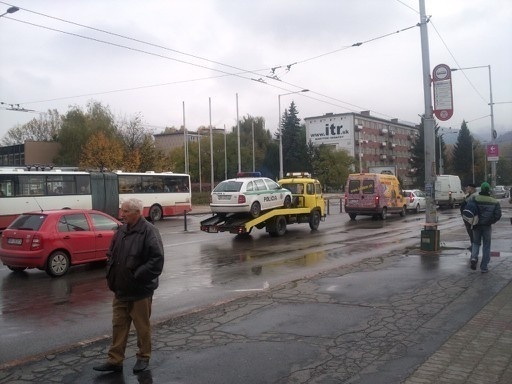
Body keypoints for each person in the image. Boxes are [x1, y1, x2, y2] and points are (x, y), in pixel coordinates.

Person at [93, 198, 164, 374]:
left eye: (125, 211)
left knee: (142, 327)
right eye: (122, 210)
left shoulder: (149, 231)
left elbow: (157, 260)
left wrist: (137, 276)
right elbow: (112, 253)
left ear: (137, 213)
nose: (121, 214)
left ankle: (143, 357)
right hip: (120, 289)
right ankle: (115, 360)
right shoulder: (121, 230)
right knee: (118, 325)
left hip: (140, 291)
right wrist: (111, 273)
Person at [469, 182, 502, 273]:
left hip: (476, 224)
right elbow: (498, 215)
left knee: (476, 242)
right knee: (486, 245)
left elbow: (468, 208)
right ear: (489, 190)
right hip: (487, 226)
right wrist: (491, 221)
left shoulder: (474, 198)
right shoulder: (494, 201)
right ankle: (484, 267)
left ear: (481, 189)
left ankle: (474, 258)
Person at [460, 183, 478, 249]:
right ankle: (473, 244)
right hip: (467, 217)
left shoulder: (473, 196)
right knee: (470, 231)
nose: (467, 189)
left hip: (471, 217)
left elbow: (465, 203)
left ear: (472, 189)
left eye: (468, 188)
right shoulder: (469, 195)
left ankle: (474, 245)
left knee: (472, 232)